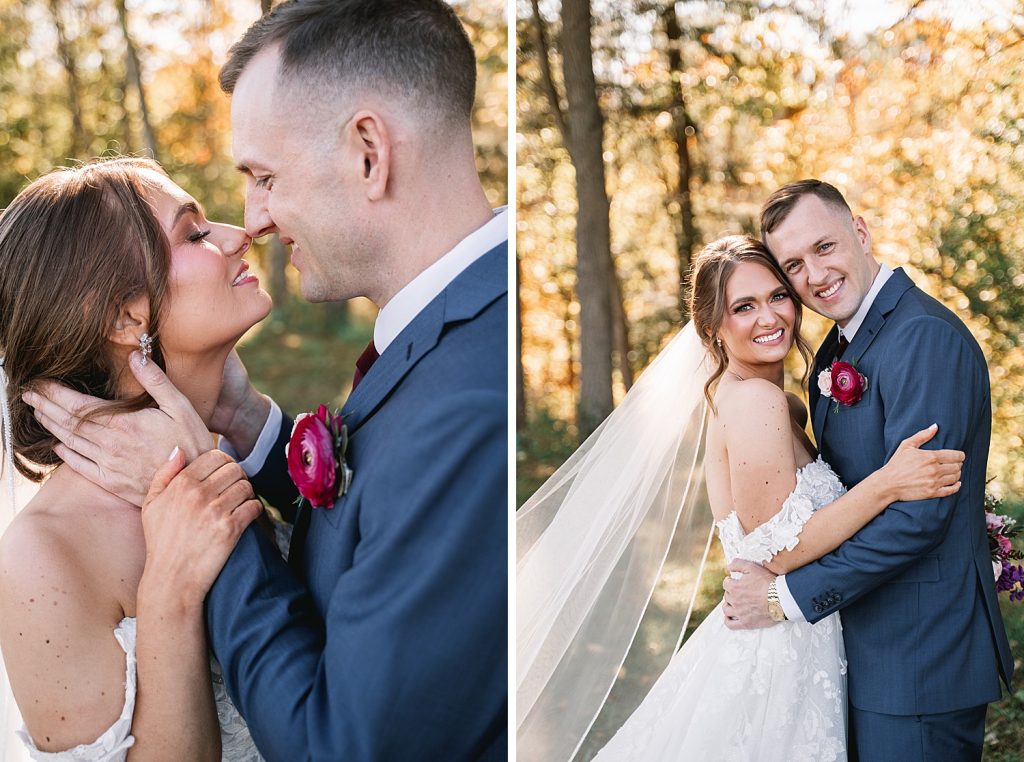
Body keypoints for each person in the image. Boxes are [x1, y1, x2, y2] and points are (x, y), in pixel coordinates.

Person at [24, 2, 508, 760]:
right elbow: (372, 516)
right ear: (124, 314)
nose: (251, 221)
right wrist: (254, 431)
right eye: (194, 229)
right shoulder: (447, 336)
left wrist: (202, 517)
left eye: (264, 176)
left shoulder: (472, 395)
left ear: (369, 154)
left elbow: (343, 745)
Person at [517, 235, 966, 761]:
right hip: (774, 650)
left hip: (798, 634)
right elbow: (775, 548)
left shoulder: (783, 403)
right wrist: (888, 483)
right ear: (714, 327)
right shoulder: (754, 401)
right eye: (743, 307)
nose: (769, 316)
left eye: (777, 296)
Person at [722, 180, 1013, 760]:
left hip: (920, 657)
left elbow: (919, 519)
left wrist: (786, 597)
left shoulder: (922, 336)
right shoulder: (834, 353)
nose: (816, 274)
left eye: (824, 247)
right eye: (794, 265)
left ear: (860, 231)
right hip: (862, 648)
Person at [0, 157, 268, 759]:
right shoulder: (44, 556)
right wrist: (167, 598)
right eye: (195, 234)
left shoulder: (233, 451)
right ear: (125, 317)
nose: (238, 234)